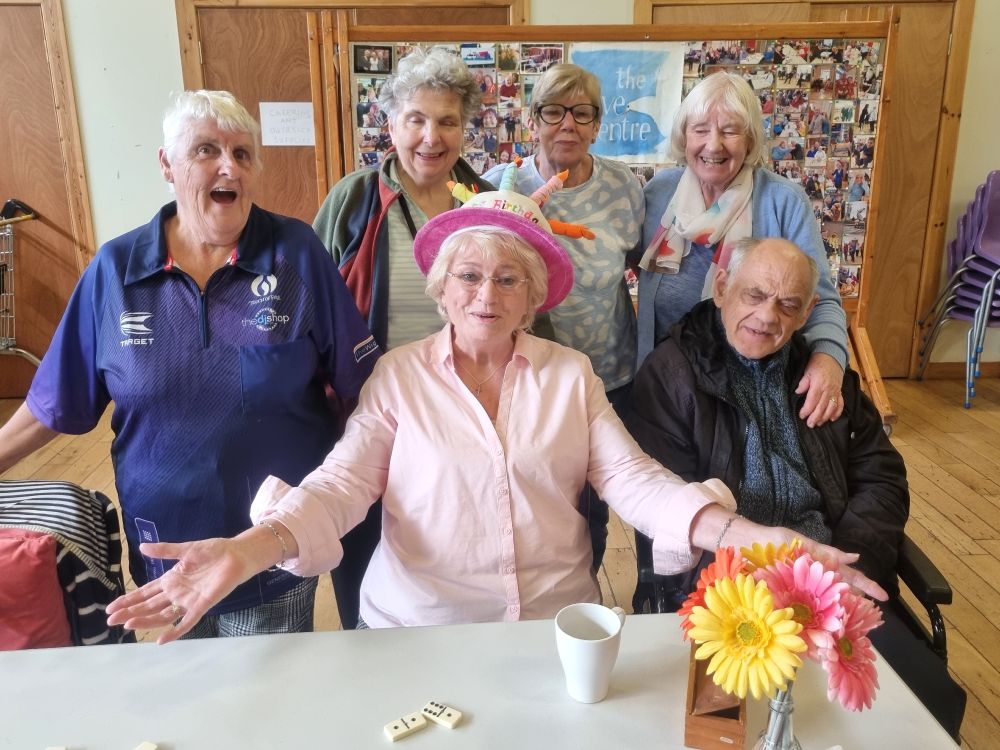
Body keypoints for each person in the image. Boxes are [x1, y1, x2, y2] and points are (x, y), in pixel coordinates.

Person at [106, 195, 884, 644]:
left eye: (509, 278)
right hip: (418, 634)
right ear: (443, 291)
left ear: (535, 296)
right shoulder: (398, 379)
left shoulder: (570, 376)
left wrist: (752, 537)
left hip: (555, 630)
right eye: (470, 276)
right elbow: (341, 487)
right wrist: (251, 549)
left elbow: (637, 483)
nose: (487, 294)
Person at [0, 90, 380, 638]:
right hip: (164, 552)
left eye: (243, 154)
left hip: (270, 545)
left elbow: (361, 391)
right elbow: (54, 404)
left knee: (269, 701)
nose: (229, 166)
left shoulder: (294, 253)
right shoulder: (117, 270)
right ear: (167, 166)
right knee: (189, 696)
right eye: (207, 150)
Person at [628, 237, 965, 739]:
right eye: (754, 295)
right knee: (730, 730)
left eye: (788, 304)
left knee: (921, 709)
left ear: (808, 311)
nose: (768, 316)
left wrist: (852, 562)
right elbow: (665, 497)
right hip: (729, 588)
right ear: (721, 288)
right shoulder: (671, 375)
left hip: (832, 578)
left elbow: (882, 476)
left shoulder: (828, 378)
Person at [482, 63, 644, 569]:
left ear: (598, 125)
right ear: (533, 121)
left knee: (591, 511)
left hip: (609, 377)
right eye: (553, 111)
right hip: (525, 383)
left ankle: (579, 604)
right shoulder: (499, 188)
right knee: (525, 508)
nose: (567, 124)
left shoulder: (626, 188)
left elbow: (634, 262)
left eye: (581, 113)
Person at [637, 71, 848, 430]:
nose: (714, 145)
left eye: (730, 130)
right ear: (684, 136)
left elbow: (822, 300)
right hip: (665, 391)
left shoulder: (783, 201)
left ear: (749, 140)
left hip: (750, 396)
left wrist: (829, 359)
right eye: (700, 129)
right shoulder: (661, 194)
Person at [313, 47, 496, 352]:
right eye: (416, 120)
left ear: (463, 130)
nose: (432, 137)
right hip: (374, 391)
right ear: (392, 128)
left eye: (447, 122)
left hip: (470, 392)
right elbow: (309, 300)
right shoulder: (354, 198)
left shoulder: (489, 202)